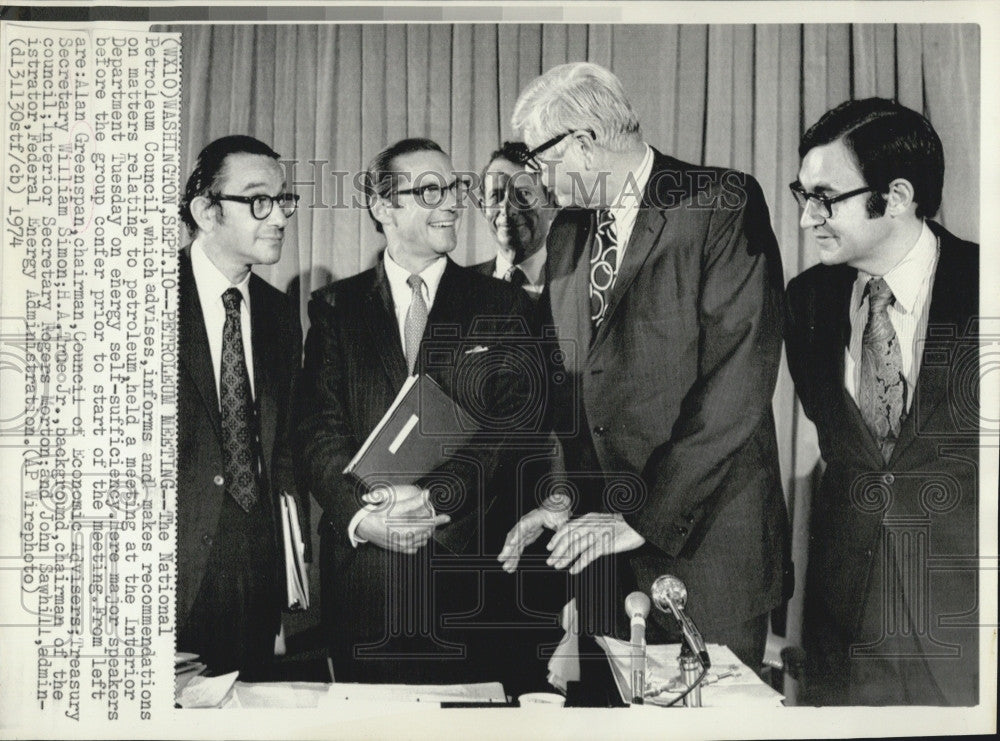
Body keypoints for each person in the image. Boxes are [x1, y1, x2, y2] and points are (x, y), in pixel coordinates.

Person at [499, 62, 790, 688]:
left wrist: (641, 517)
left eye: (538, 156)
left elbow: (738, 381)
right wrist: (559, 495)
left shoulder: (720, 203)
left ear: (582, 141)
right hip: (603, 557)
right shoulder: (570, 232)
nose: (537, 177)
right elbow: (569, 384)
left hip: (707, 549)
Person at [296, 138, 546, 686]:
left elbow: (512, 429)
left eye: (454, 188)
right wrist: (364, 516)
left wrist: (436, 495)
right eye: (431, 189)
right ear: (383, 207)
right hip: (367, 586)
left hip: (471, 585)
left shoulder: (503, 305)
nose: (454, 203)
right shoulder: (334, 309)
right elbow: (316, 431)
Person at [785, 98, 979, 705]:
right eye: (803, 195)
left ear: (895, 196)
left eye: (825, 198)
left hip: (967, 623)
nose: (806, 219)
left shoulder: (987, 285)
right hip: (844, 625)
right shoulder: (806, 301)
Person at [176, 135, 306, 678]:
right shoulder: (137, 296)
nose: (277, 216)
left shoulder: (279, 315)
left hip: (254, 575)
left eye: (284, 200)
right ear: (206, 211)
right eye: (258, 200)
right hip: (171, 572)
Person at [471, 141, 556, 301]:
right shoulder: (463, 287)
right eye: (496, 195)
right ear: (483, 208)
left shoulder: (576, 284)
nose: (508, 209)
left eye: (523, 194)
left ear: (551, 203)